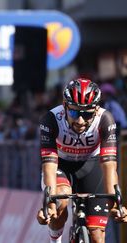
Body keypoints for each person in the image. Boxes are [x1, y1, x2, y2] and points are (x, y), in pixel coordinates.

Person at [36, 79, 127, 243]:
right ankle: (55, 240)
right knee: (60, 201)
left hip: (91, 166)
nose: (80, 120)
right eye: (74, 113)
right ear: (65, 107)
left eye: (86, 114)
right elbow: (49, 166)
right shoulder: (51, 119)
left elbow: (109, 166)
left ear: (96, 110)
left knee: (97, 236)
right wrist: (49, 205)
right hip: (60, 166)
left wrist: (114, 203)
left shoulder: (105, 119)